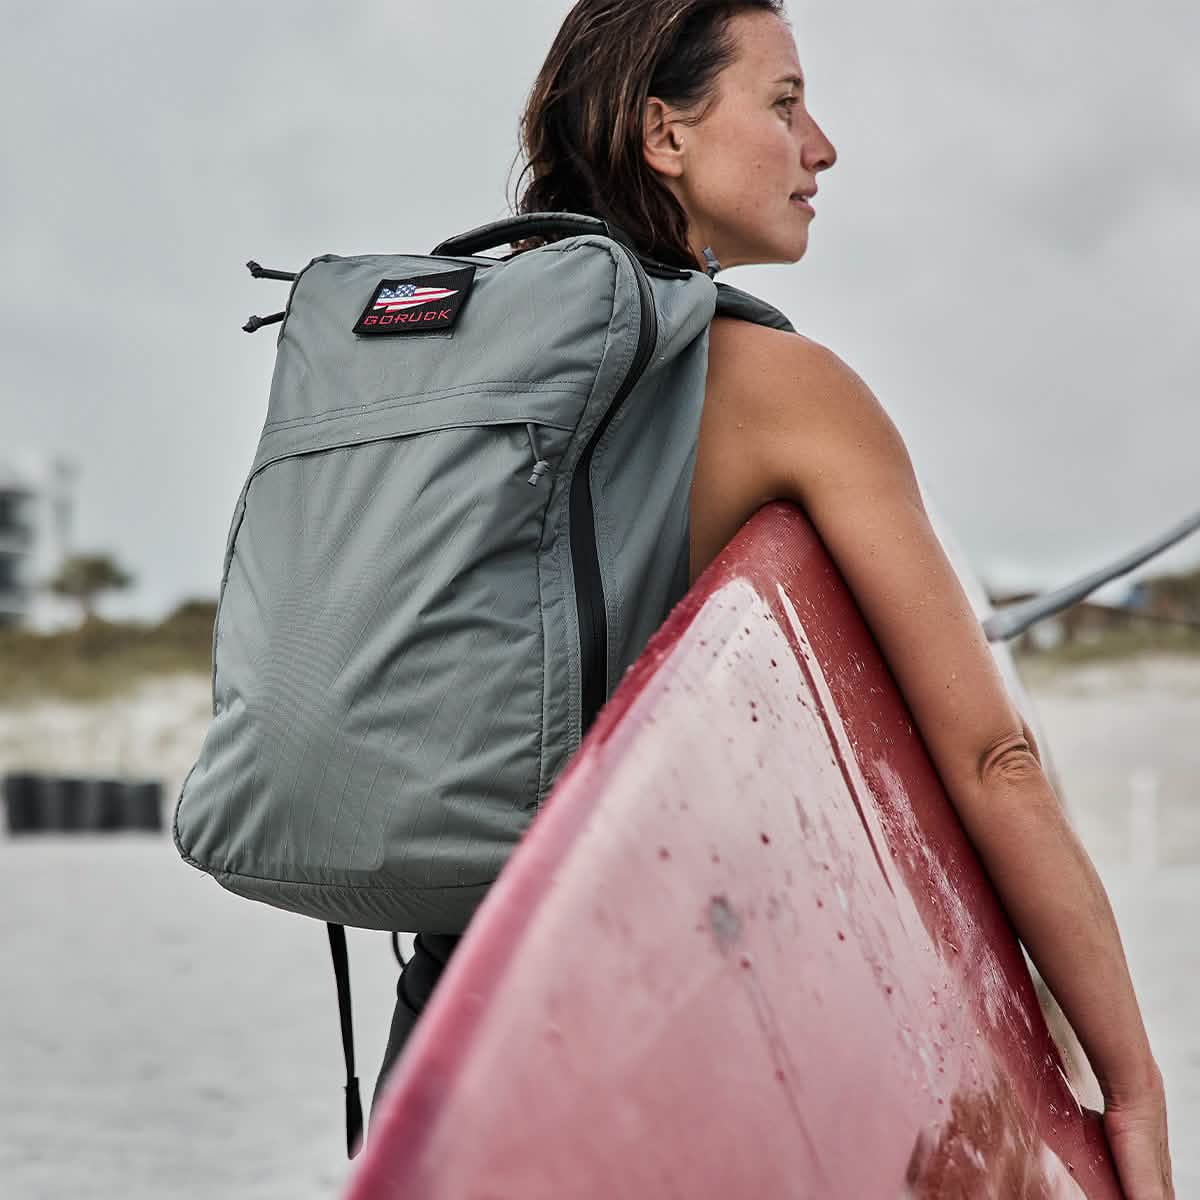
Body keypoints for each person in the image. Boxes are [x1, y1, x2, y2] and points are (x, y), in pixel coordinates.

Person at [374, 3, 1174, 1195]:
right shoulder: (780, 388)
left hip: (449, 1018)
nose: (823, 147)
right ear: (665, 133)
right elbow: (993, 759)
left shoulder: (449, 366)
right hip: (659, 1013)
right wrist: (1134, 1090)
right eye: (785, 102)